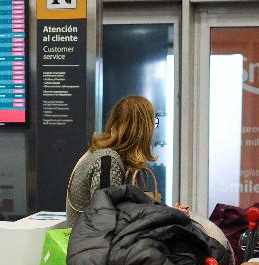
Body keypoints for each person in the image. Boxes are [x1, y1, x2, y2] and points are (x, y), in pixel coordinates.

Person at [65, 95, 188, 226]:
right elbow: (107, 221)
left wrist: (169, 214)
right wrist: (166, 217)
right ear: (142, 131)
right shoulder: (108, 161)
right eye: (153, 123)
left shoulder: (112, 159)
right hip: (94, 244)